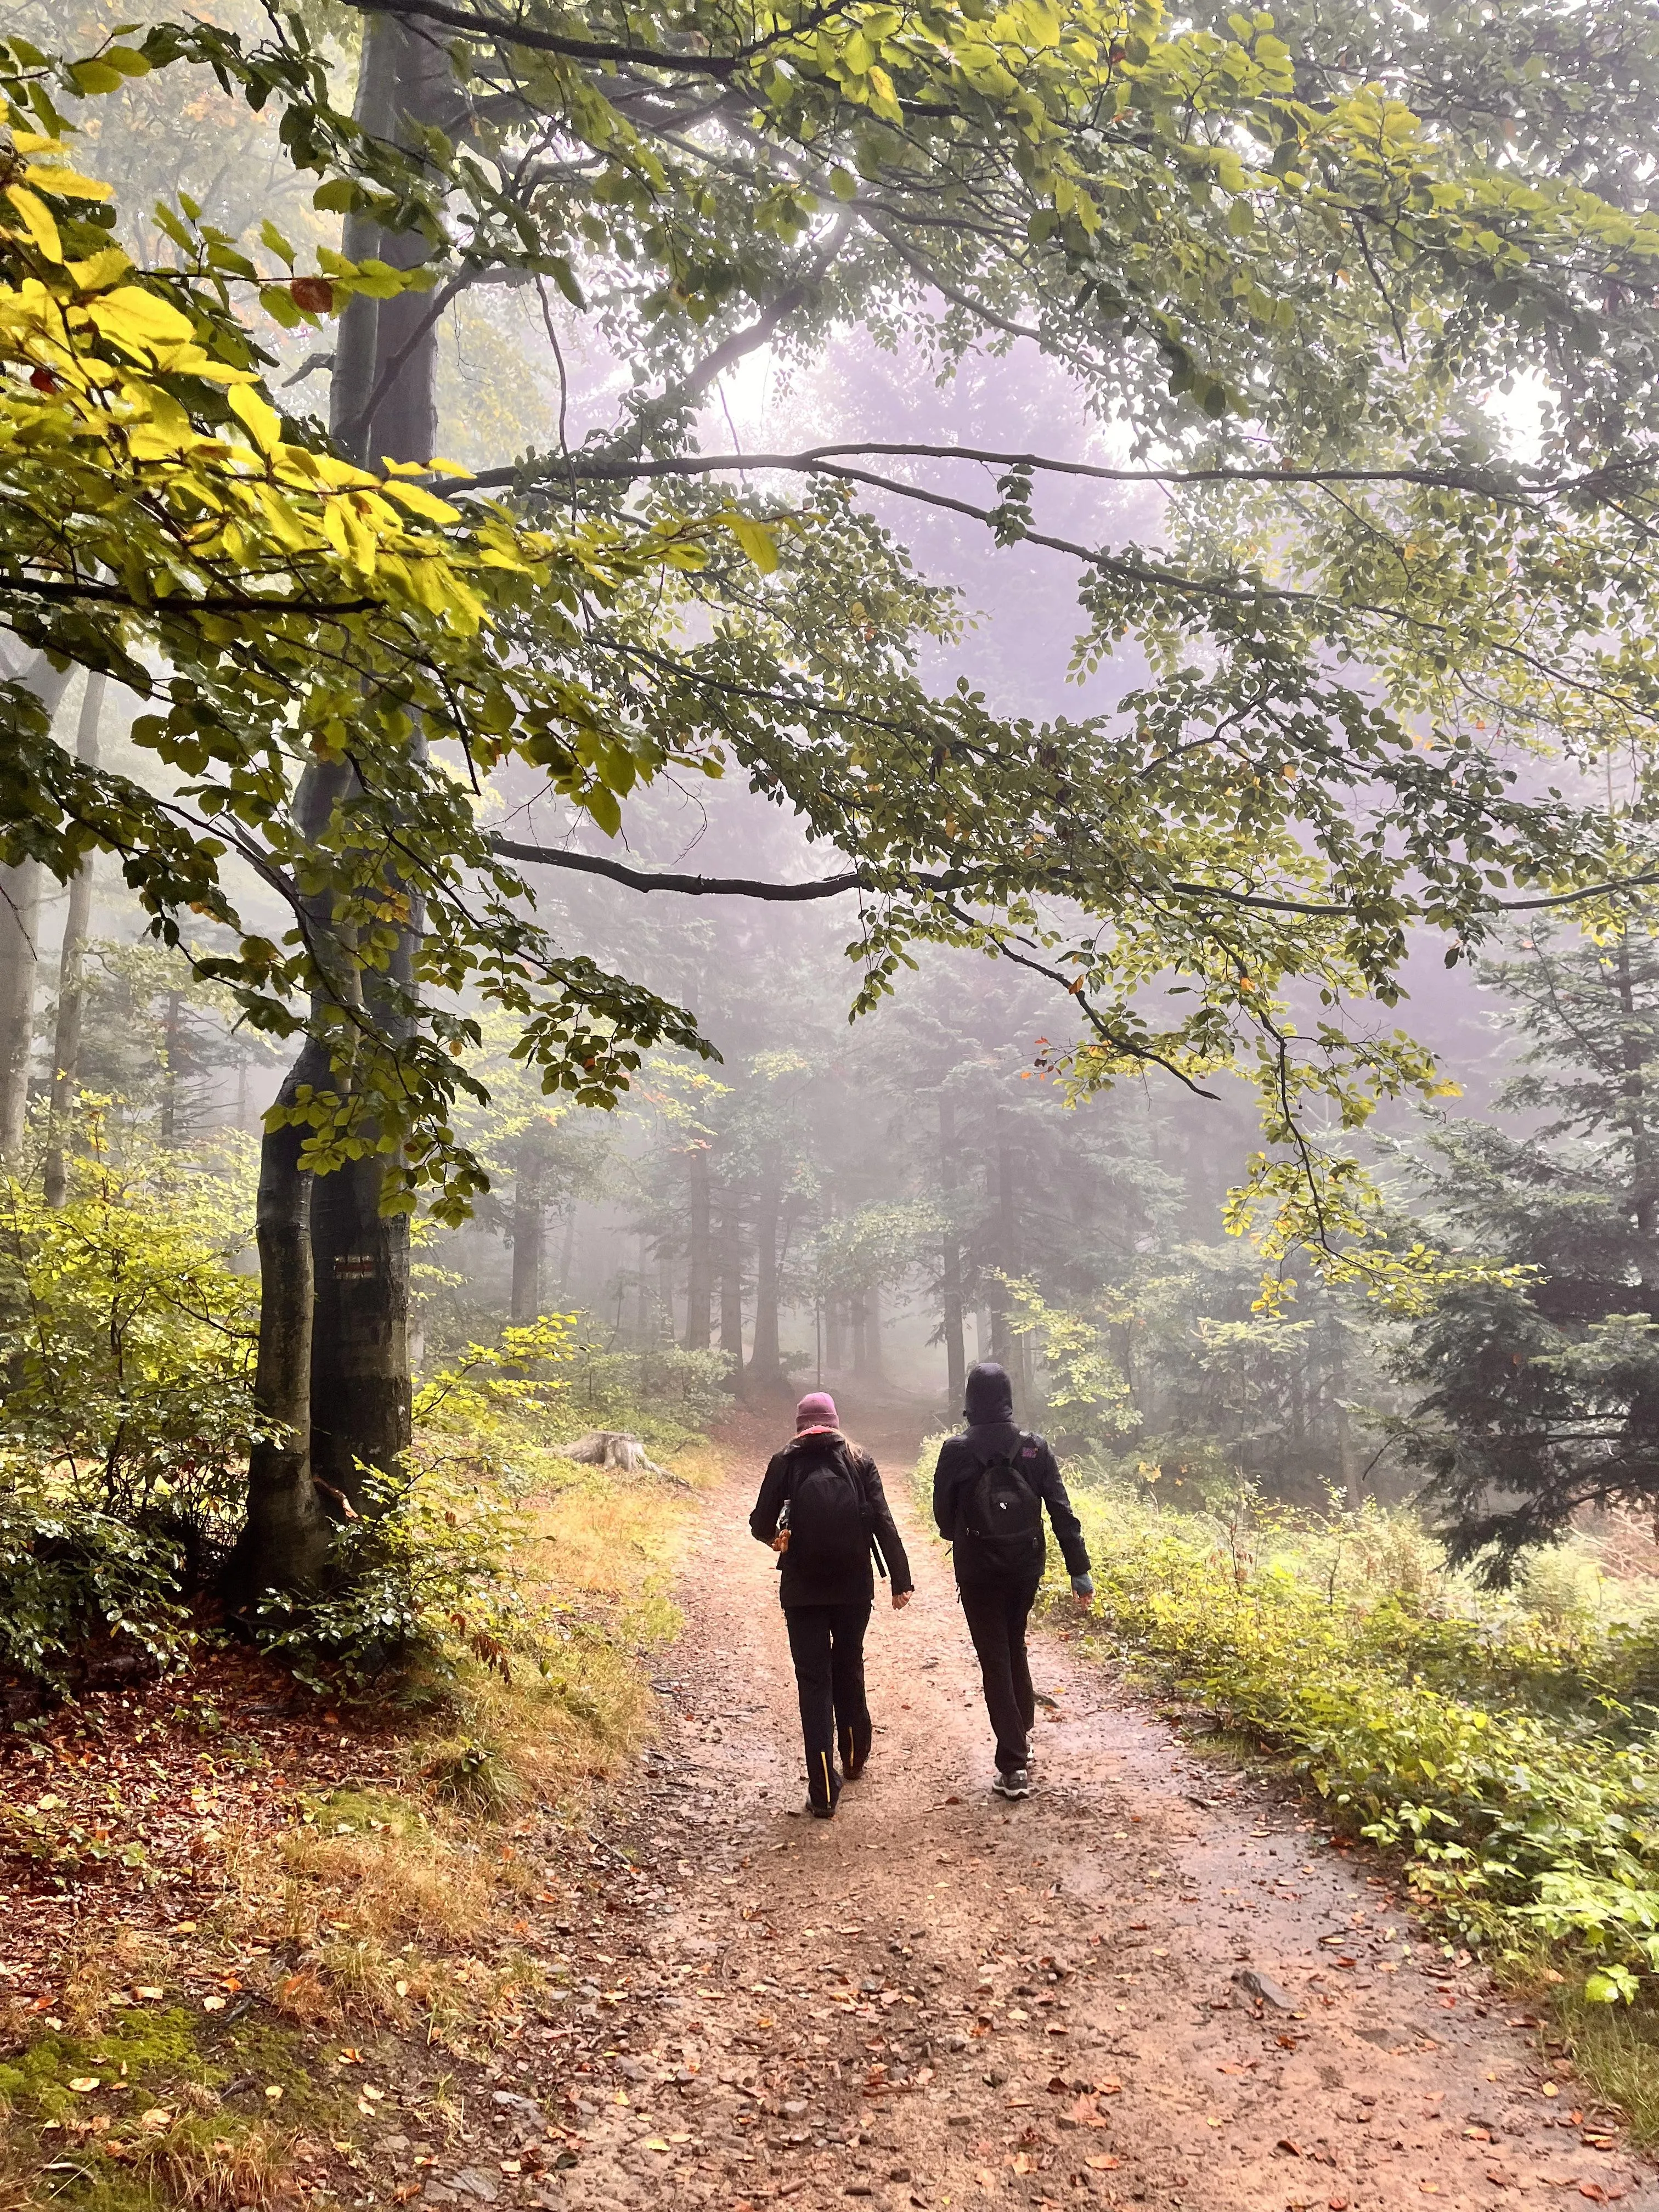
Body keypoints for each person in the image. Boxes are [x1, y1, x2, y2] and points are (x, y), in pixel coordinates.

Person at [933, 1361, 1093, 1800]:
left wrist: (968, 1526)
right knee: (1015, 1641)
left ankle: (1013, 1765)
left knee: (994, 1657)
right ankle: (1021, 1735)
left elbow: (944, 1521)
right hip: (1025, 1565)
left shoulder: (956, 1450)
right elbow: (1062, 1511)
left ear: (970, 1398)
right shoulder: (1034, 1448)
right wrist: (1079, 1570)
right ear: (1008, 1397)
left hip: (978, 1567)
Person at [750, 1391, 913, 1819]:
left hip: (802, 1590)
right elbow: (882, 1520)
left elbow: (758, 1525)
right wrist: (901, 1579)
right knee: (849, 1662)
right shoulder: (860, 1461)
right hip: (854, 1586)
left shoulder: (784, 1462)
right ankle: (855, 1755)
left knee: (813, 1681)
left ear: (800, 1425)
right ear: (836, 1423)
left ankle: (823, 1791)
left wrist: (779, 1538)